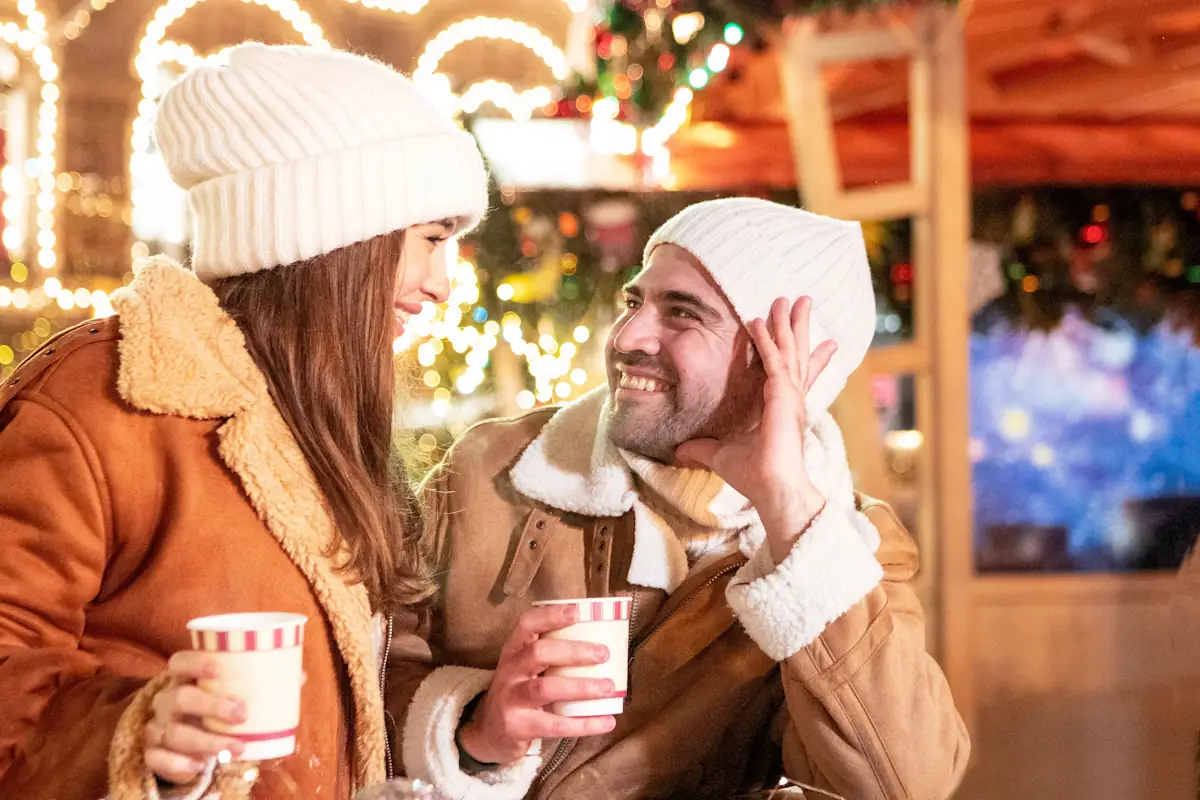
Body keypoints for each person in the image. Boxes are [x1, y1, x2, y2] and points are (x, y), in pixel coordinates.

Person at [0, 43, 487, 799]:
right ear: (336, 239)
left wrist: (481, 728)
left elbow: (342, 695)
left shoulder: (311, 413)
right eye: (431, 238)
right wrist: (134, 738)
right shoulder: (105, 398)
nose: (442, 284)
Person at [387, 198, 969, 800]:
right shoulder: (494, 466)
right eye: (635, 303)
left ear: (780, 370)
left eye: (683, 313)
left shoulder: (851, 551)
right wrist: (473, 734)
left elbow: (908, 782)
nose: (629, 336)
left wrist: (790, 514)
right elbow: (368, 672)